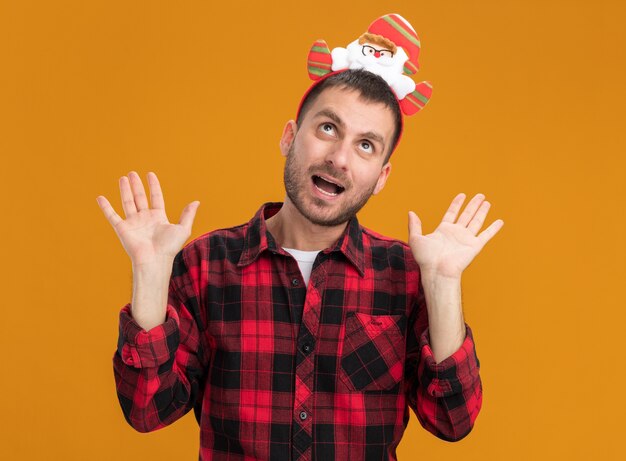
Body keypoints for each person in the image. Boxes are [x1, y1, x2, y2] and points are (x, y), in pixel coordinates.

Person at [97, 14, 503, 461]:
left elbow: (453, 420)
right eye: (328, 128)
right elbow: (146, 409)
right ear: (290, 137)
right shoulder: (205, 263)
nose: (339, 158)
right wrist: (150, 277)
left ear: (382, 176)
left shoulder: (405, 275)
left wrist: (443, 285)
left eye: (366, 145)